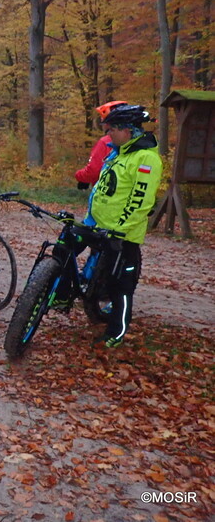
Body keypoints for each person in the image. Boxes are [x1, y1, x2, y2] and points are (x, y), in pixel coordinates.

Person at [84, 104, 162, 348]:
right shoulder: (121, 152)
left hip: (123, 235)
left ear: (128, 130)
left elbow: (140, 201)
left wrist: (119, 228)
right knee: (97, 273)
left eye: (113, 130)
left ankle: (116, 333)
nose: (109, 135)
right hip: (102, 227)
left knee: (121, 287)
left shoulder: (145, 158)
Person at [75, 101, 127, 189]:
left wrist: (79, 176)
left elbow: (93, 170)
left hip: (106, 192)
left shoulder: (106, 142)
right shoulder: (135, 142)